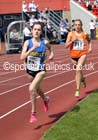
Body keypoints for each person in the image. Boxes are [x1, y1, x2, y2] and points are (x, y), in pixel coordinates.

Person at [20, 22, 54, 123]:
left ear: (41, 32)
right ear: (32, 30)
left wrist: (52, 54)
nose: (36, 31)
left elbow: (51, 48)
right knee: (37, 88)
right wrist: (32, 48)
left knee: (31, 89)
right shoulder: (27, 42)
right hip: (30, 70)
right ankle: (45, 99)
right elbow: (22, 57)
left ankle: (33, 113)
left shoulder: (45, 42)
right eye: (35, 29)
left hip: (41, 70)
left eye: (39, 30)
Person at [65, 19, 92, 97]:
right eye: (76, 25)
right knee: (78, 71)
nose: (77, 26)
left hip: (82, 54)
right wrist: (72, 41)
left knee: (78, 70)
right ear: (74, 26)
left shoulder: (84, 34)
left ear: (81, 26)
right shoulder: (71, 34)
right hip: (73, 56)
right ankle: (82, 79)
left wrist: (90, 48)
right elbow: (66, 46)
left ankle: (77, 90)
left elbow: (89, 40)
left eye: (78, 25)